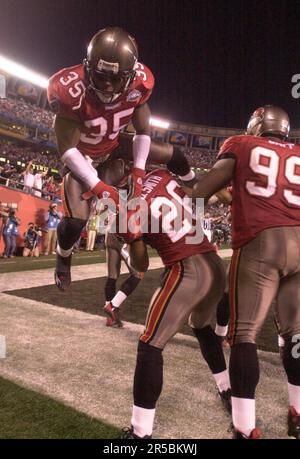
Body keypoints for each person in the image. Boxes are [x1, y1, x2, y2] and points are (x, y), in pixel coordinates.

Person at [47, 26, 195, 291]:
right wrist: (100, 187)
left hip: (114, 146)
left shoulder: (140, 83)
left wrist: (139, 171)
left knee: (172, 153)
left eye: (115, 79)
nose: (106, 85)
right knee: (75, 222)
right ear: (88, 67)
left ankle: (193, 184)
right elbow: (68, 149)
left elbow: (142, 132)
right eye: (101, 76)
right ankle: (63, 255)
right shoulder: (68, 88)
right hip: (82, 155)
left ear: (129, 75)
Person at [190, 105, 300, 439]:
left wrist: (194, 235)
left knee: (244, 334)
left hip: (260, 244)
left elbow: (201, 191)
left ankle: (244, 426)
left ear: (255, 127)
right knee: (295, 334)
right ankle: (297, 412)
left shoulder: (242, 145)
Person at [116, 166, 230, 439]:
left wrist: (130, 245)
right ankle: (227, 389)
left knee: (150, 345)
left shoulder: (124, 206)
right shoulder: (160, 174)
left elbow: (140, 264)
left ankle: (140, 433)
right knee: (201, 326)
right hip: (214, 264)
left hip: (187, 269)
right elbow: (197, 196)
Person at [103, 230, 143, 328]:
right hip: (122, 237)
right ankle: (112, 306)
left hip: (110, 234)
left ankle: (110, 318)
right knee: (138, 274)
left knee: (112, 276)